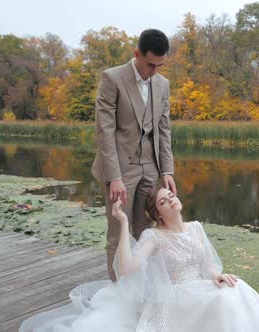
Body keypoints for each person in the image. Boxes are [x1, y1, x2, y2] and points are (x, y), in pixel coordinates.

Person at [19, 181, 259, 332]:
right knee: (223, 303)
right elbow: (126, 269)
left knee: (236, 288)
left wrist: (217, 276)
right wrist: (124, 224)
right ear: (158, 213)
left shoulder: (196, 228)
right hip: (174, 298)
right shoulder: (154, 237)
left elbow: (208, 266)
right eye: (163, 201)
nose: (171, 200)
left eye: (170, 195)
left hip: (200, 288)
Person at [90, 28, 177, 282]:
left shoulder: (163, 84)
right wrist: (113, 176)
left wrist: (167, 170)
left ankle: (143, 292)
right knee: (119, 235)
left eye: (160, 65)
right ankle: (118, 296)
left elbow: (164, 129)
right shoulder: (112, 78)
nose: (155, 71)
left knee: (146, 233)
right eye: (151, 64)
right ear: (137, 54)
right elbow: (104, 132)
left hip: (152, 168)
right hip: (121, 169)